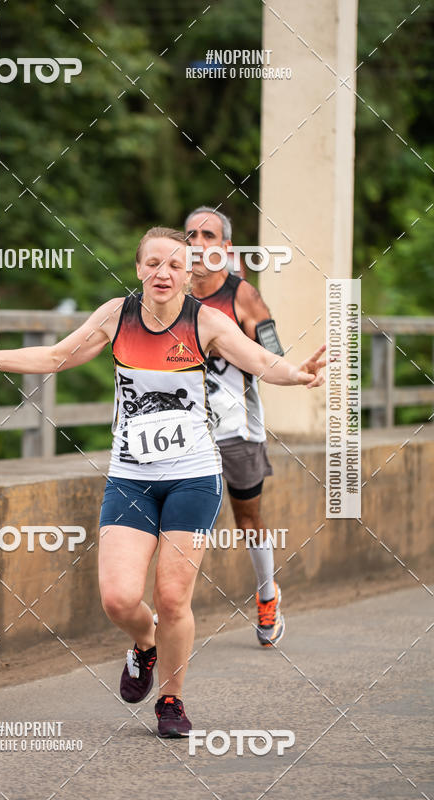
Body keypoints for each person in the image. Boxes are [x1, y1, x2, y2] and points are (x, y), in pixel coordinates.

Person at [0, 226, 325, 737]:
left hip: (193, 476)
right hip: (131, 477)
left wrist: (297, 374)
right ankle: (145, 644)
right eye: (153, 263)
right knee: (119, 600)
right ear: (138, 267)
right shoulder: (116, 315)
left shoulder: (205, 321)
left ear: (190, 273)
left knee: (172, 597)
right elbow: (56, 356)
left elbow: (259, 361)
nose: (163, 273)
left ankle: (171, 699)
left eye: (174, 265)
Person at [185, 205, 289, 646]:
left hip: (237, 428)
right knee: (179, 520)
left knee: (247, 516)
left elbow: (274, 354)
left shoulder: (241, 294)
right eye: (190, 235)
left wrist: (235, 343)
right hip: (186, 430)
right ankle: (168, 614)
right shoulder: (172, 292)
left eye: (208, 235)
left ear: (225, 247)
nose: (197, 243)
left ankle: (267, 594)